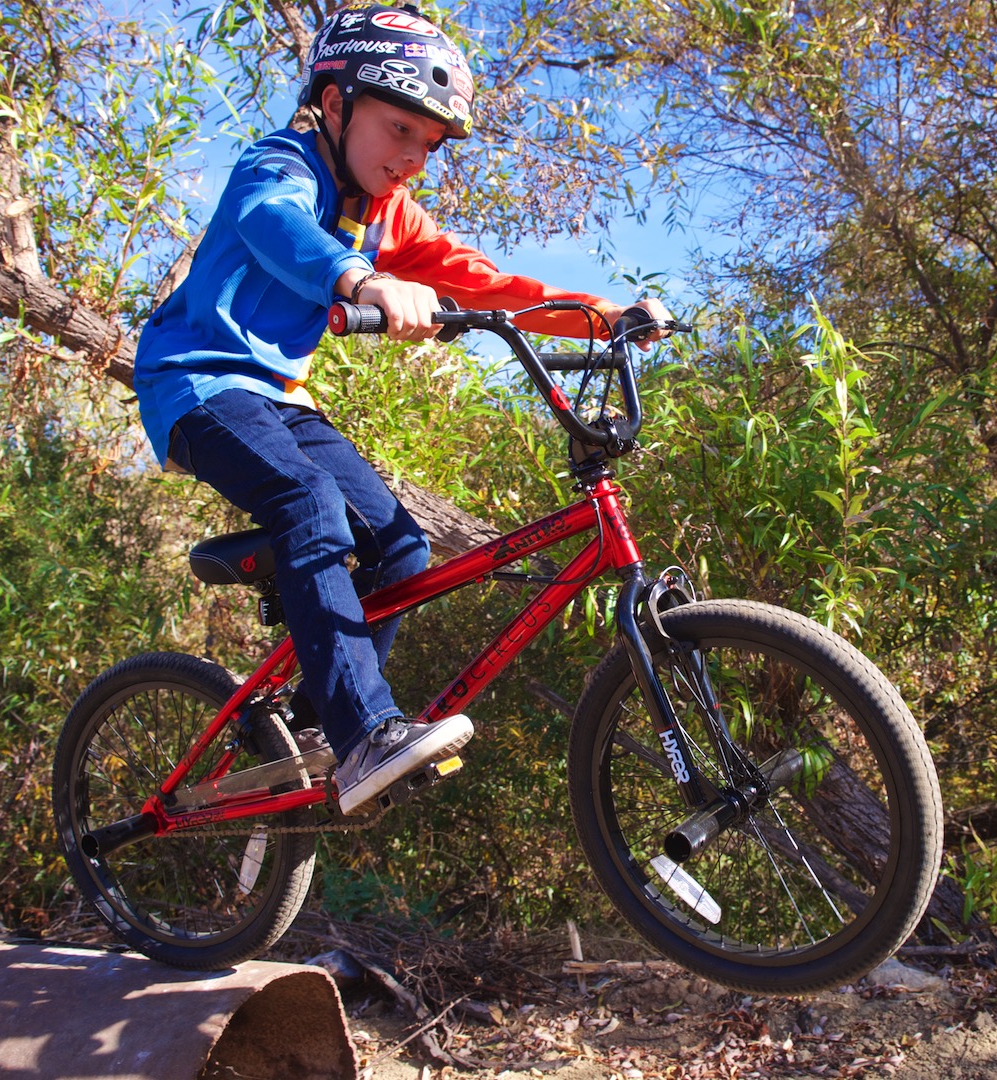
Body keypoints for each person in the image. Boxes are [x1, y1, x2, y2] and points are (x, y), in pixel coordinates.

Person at [132, 3, 669, 815]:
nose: (414, 158)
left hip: (281, 399)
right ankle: (366, 735)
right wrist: (361, 280)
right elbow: (271, 224)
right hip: (198, 385)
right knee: (307, 500)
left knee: (401, 548)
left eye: (430, 144)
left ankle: (315, 726)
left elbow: (482, 283)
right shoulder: (280, 163)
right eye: (398, 131)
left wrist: (601, 315)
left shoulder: (387, 213)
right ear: (335, 102)